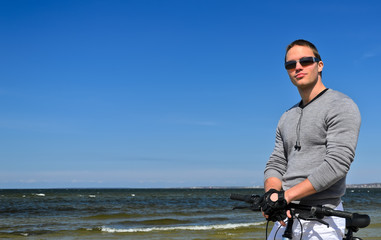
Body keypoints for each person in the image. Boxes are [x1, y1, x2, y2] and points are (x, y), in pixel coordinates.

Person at [261, 39, 361, 239]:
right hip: (285, 217)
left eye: (305, 61)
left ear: (320, 65)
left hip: (323, 219)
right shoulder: (286, 116)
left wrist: (286, 196)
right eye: (290, 65)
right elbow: (277, 162)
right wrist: (272, 195)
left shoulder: (341, 105)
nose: (297, 67)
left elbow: (337, 164)